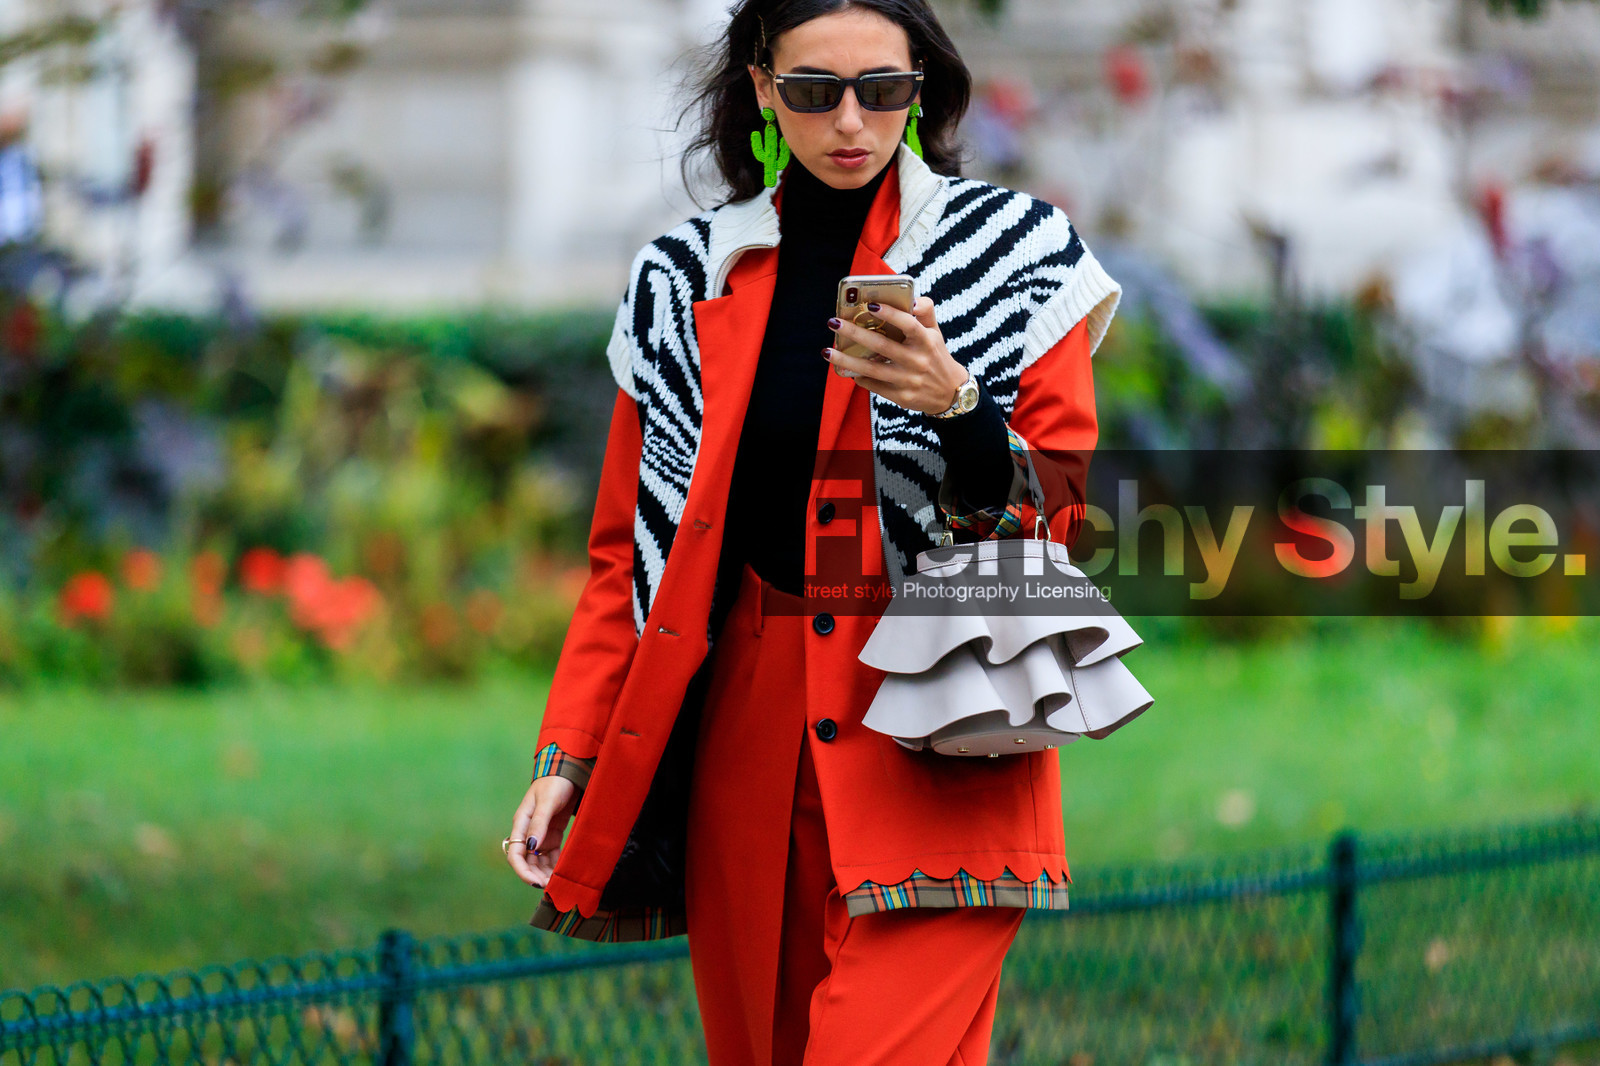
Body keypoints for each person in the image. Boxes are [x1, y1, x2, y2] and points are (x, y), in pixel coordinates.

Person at [504, 2, 1121, 1063]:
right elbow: (629, 555)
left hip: (942, 711)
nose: (851, 120)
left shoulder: (1014, 254)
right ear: (760, 89)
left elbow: (1061, 506)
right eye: (814, 90)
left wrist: (957, 405)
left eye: (882, 89)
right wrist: (573, 751)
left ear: (919, 87)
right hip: (745, 720)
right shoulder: (679, 280)